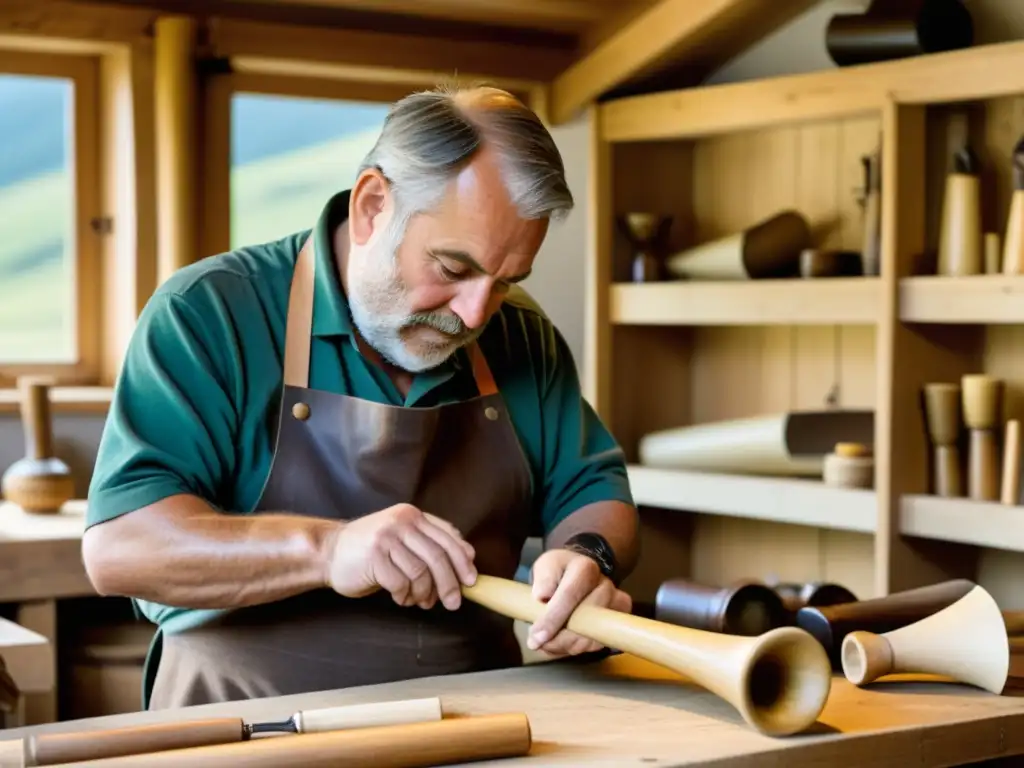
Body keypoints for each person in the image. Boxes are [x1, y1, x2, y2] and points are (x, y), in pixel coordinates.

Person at [82, 84, 640, 710]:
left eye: (506, 282)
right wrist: (329, 549)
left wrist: (585, 557)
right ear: (374, 204)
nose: (475, 312)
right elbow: (121, 547)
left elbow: (593, 492)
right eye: (453, 270)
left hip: (476, 722)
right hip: (241, 721)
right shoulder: (209, 312)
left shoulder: (520, 338)